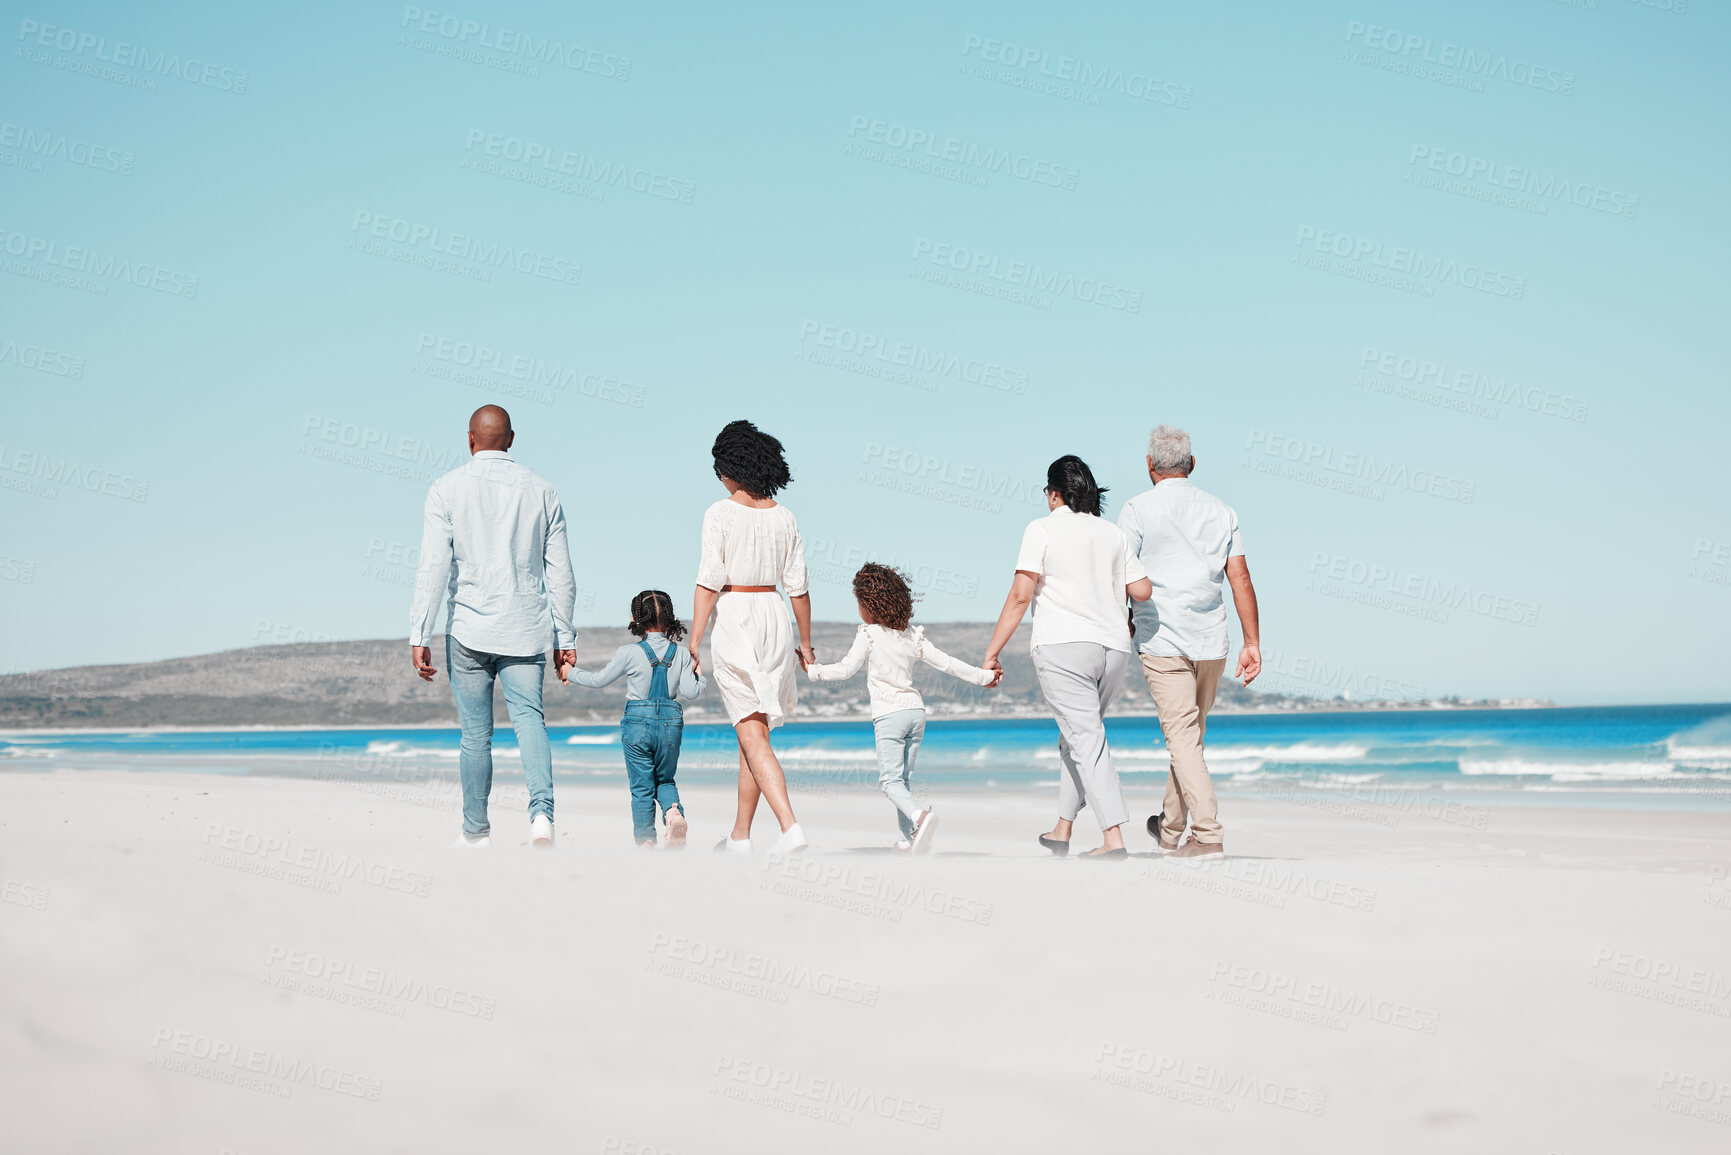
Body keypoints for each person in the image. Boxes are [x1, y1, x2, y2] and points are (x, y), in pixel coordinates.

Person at [409, 405, 576, 850]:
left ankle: (476, 832)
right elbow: (560, 572)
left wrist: (419, 633)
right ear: (512, 439)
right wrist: (566, 638)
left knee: (475, 736)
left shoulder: (445, 489)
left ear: (470, 439)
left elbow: (432, 565)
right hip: (525, 627)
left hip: (468, 628)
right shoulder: (543, 490)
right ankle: (542, 817)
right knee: (530, 722)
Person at [982, 456, 1152, 859]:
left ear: (1056, 493)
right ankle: (1062, 828)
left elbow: (1021, 595)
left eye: (1047, 492)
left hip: (1063, 647)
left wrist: (991, 652)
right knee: (1077, 736)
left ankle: (1114, 840)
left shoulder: (1041, 528)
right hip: (1112, 649)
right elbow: (1143, 590)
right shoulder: (1113, 534)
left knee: (1086, 739)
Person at [1117, 425, 1260, 860]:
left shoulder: (1136, 509)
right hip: (1212, 641)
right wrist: (1252, 642)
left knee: (1182, 739)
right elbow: (1240, 576)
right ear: (1192, 465)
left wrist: (1120, 619)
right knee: (1190, 738)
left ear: (1149, 465)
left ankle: (1208, 834)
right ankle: (1169, 828)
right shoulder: (1222, 510)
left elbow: (1119, 572)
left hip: (1162, 638)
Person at [806, 563, 1000, 855]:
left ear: (868, 605)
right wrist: (984, 677)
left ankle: (920, 818)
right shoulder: (911, 636)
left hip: (889, 715)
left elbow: (845, 670)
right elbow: (947, 662)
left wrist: (812, 670)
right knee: (903, 781)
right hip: (916, 714)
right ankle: (910, 840)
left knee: (889, 782)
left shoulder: (868, 634)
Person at [688, 420, 814, 857]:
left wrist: (695, 638)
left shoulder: (719, 513)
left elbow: (709, 580)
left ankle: (790, 828)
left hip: (738, 615)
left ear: (732, 467)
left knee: (751, 731)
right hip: (775, 616)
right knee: (754, 731)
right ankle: (740, 837)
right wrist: (807, 642)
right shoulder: (785, 516)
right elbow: (798, 587)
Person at [567, 591, 705, 849]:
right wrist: (700, 672)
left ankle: (645, 844)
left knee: (642, 787)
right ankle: (673, 814)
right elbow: (691, 692)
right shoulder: (682, 654)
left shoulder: (628, 652)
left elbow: (598, 680)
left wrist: (570, 673)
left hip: (637, 725)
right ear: (671, 617)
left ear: (635, 618)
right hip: (670, 724)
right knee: (664, 780)